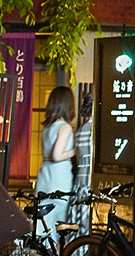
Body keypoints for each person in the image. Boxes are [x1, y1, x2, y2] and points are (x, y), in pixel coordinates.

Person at [35, 86, 76, 242]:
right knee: (57, 223)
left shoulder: (47, 128)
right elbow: (57, 155)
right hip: (59, 178)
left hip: (44, 176)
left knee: (42, 222)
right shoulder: (65, 128)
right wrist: (74, 151)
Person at [67, 92, 93, 236]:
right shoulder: (95, 131)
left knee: (77, 223)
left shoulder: (80, 131)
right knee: (87, 225)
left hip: (79, 181)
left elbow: (76, 159)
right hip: (90, 180)